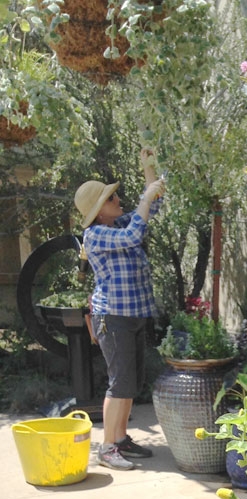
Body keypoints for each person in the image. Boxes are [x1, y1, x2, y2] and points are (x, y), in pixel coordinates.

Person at [74, 150, 166, 470]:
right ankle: (108, 447)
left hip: (131, 315)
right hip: (113, 318)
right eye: (111, 198)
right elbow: (134, 233)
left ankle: (121, 438)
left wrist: (148, 170)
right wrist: (148, 193)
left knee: (131, 381)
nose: (117, 199)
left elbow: (152, 205)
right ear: (99, 212)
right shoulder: (96, 234)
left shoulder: (117, 223)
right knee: (120, 383)